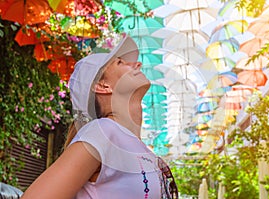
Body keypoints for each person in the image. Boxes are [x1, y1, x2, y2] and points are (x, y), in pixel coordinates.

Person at [21, 34, 178, 199]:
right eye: (120, 62)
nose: (138, 64)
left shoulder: (140, 148)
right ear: (103, 86)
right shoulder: (103, 131)